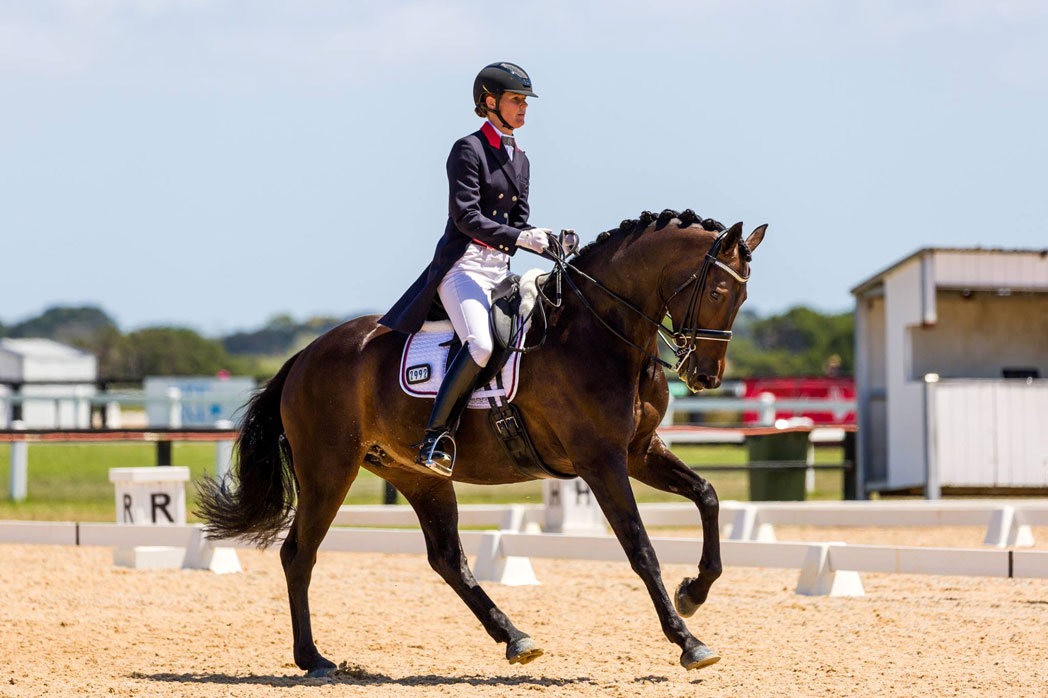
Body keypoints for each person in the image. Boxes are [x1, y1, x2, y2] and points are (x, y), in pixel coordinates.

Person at [378, 61, 554, 476]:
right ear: (489, 102)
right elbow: (466, 217)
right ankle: (434, 437)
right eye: (515, 99)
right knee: (480, 345)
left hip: (500, 271)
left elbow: (516, 223)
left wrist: (543, 237)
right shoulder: (468, 149)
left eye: (525, 100)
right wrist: (518, 238)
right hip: (464, 268)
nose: (523, 107)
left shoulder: (521, 159)